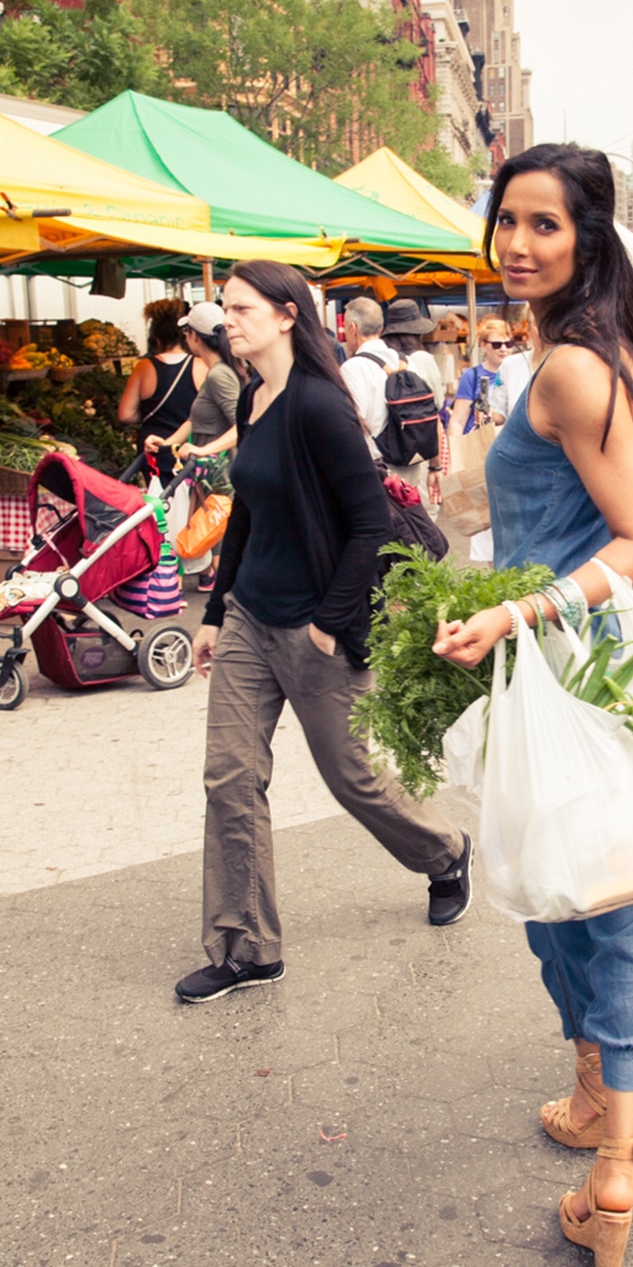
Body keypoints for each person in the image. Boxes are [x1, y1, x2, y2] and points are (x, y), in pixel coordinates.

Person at [432, 142, 633, 1267]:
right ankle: (598, 1103)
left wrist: (509, 616)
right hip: (607, 655)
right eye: (509, 222)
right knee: (575, 891)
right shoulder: (609, 350)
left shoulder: (574, 368)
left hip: (571, 661)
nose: (520, 244)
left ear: (589, 236)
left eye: (546, 224)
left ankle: (616, 1170)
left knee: (603, 898)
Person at [174, 260, 472, 1005]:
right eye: (223, 310)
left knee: (355, 780)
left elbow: (370, 523)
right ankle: (246, 948)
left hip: (317, 627)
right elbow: (247, 511)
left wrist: (329, 628)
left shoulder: (318, 405)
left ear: (284, 315)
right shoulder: (251, 396)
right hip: (250, 617)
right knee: (231, 779)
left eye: (240, 308)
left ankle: (444, 853)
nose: (226, 320)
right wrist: (215, 613)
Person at [144, 301, 245, 593]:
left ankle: (227, 590)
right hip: (210, 471)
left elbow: (243, 423)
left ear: (195, 336)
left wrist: (203, 450)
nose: (185, 337)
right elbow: (194, 419)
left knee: (218, 531)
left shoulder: (219, 375)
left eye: (187, 332)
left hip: (221, 472)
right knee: (212, 532)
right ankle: (220, 583)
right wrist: (167, 443)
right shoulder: (213, 371)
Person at [340, 296, 443, 508]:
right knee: (408, 533)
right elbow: (431, 414)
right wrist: (435, 466)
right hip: (413, 464)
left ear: (353, 328)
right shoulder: (406, 361)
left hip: (378, 472)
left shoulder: (354, 368)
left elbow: (354, 423)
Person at [118, 298, 203, 482]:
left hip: (153, 450)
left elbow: (125, 414)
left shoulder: (144, 367)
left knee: (158, 505)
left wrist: (151, 414)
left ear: (155, 336)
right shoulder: (201, 365)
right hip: (189, 449)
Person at [449, 317, 514, 435]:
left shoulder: (519, 374)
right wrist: (456, 450)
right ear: (483, 345)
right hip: (478, 444)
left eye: (508, 344)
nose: (503, 349)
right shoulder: (471, 376)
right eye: (496, 345)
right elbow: (458, 421)